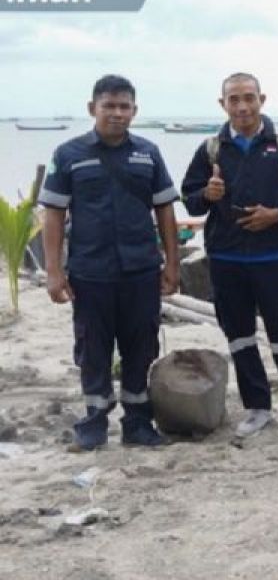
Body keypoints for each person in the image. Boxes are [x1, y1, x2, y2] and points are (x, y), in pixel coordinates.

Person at [39, 74, 179, 451]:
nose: (117, 114)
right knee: (92, 349)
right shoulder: (68, 154)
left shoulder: (148, 153)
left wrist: (172, 264)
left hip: (140, 271)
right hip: (90, 272)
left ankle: (137, 423)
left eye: (124, 107)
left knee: (141, 346)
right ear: (92, 109)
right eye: (109, 106)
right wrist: (54, 271)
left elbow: (165, 210)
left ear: (135, 110)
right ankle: (94, 423)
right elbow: (52, 214)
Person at [181, 72, 278, 448]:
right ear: (222, 103)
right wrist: (207, 193)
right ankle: (257, 407)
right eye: (234, 99)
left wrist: (277, 214)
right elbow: (189, 198)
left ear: (262, 99)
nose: (242, 106)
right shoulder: (211, 148)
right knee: (239, 337)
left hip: (272, 257)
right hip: (225, 258)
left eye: (249, 98)